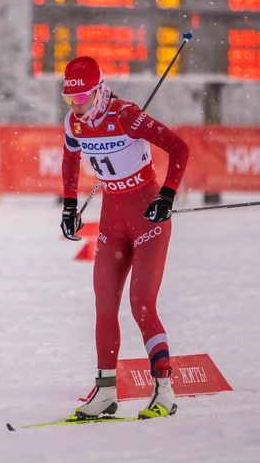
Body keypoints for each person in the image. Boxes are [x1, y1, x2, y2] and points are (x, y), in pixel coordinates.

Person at [60, 56, 190, 420]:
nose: (76, 106)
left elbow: (179, 148)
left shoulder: (126, 115)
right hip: (112, 221)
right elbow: (70, 160)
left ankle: (165, 390)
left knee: (141, 305)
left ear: (99, 92)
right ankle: (105, 394)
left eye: (81, 98)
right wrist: (70, 206)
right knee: (104, 304)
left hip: (148, 217)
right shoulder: (74, 123)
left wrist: (166, 196)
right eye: (69, 99)